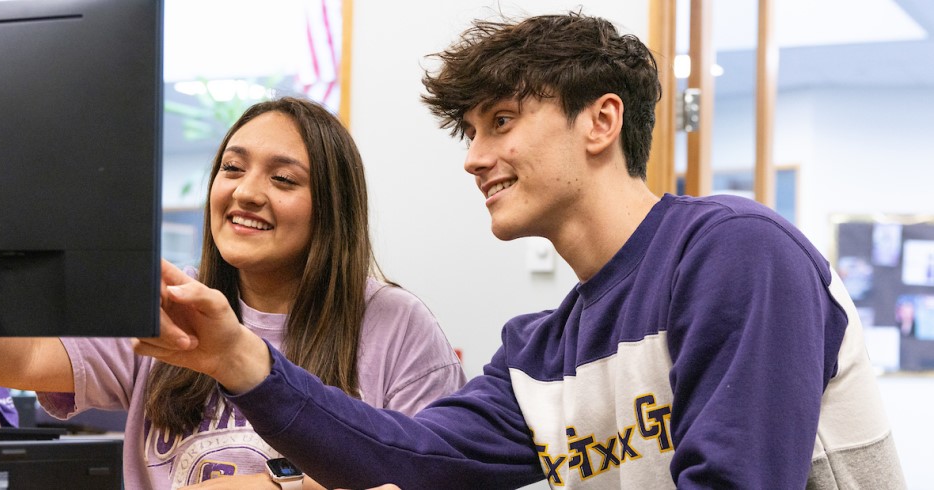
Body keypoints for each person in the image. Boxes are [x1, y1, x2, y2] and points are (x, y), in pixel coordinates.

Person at [135, 12, 905, 489]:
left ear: (600, 122)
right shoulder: (542, 353)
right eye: (471, 132)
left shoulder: (735, 254)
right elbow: (408, 454)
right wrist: (244, 362)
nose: (473, 156)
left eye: (501, 121)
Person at [0, 97, 466, 489]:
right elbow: (19, 361)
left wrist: (268, 487)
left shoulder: (398, 325)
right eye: (233, 169)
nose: (246, 192)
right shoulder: (173, 298)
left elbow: (430, 477)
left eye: (283, 179)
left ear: (332, 208)